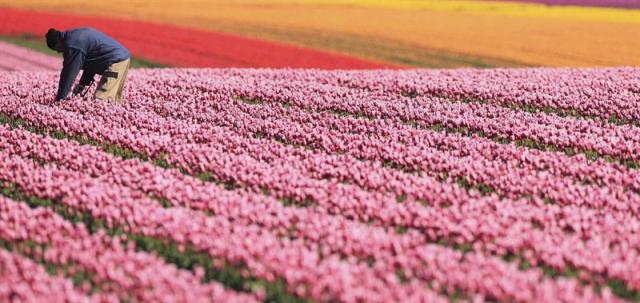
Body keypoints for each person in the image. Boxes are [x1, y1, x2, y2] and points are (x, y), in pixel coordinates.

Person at [45, 27, 131, 102]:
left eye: (57, 49)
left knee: (101, 100)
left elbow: (68, 73)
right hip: (122, 59)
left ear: (58, 42)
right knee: (112, 101)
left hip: (115, 62)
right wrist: (82, 83)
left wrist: (60, 99)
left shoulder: (73, 46)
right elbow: (92, 62)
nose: (59, 52)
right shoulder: (73, 36)